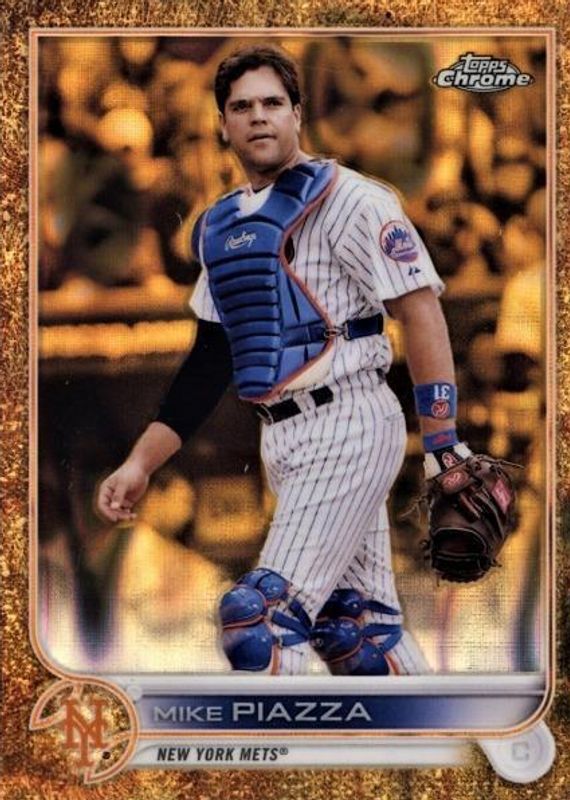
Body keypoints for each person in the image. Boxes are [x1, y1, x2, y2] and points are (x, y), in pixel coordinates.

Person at [96, 45, 472, 676]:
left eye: (273, 102)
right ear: (222, 123)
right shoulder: (221, 226)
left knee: (261, 621)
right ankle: (442, 729)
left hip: (349, 421)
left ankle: (275, 742)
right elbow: (209, 360)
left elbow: (420, 310)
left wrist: (443, 442)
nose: (258, 116)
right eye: (242, 107)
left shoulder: (354, 200)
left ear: (298, 113)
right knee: (357, 632)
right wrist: (141, 462)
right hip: (282, 438)